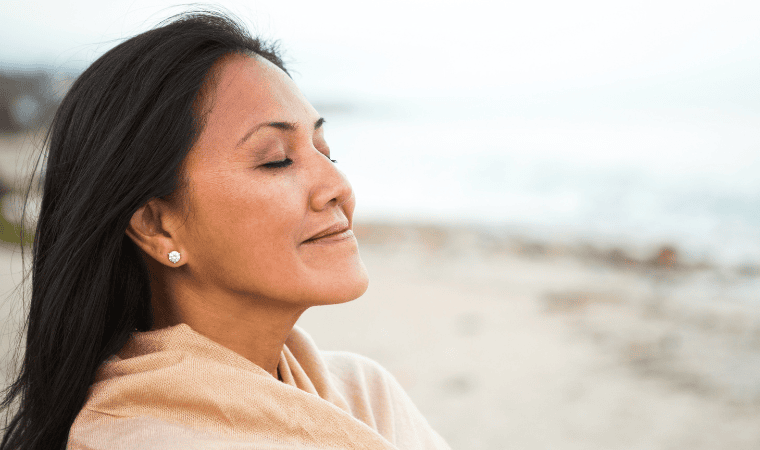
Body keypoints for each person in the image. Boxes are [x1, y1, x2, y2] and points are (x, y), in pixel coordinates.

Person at [0, 11, 450, 450]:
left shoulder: (364, 394)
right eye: (276, 159)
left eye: (326, 153)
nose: (338, 187)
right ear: (157, 226)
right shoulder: (141, 437)